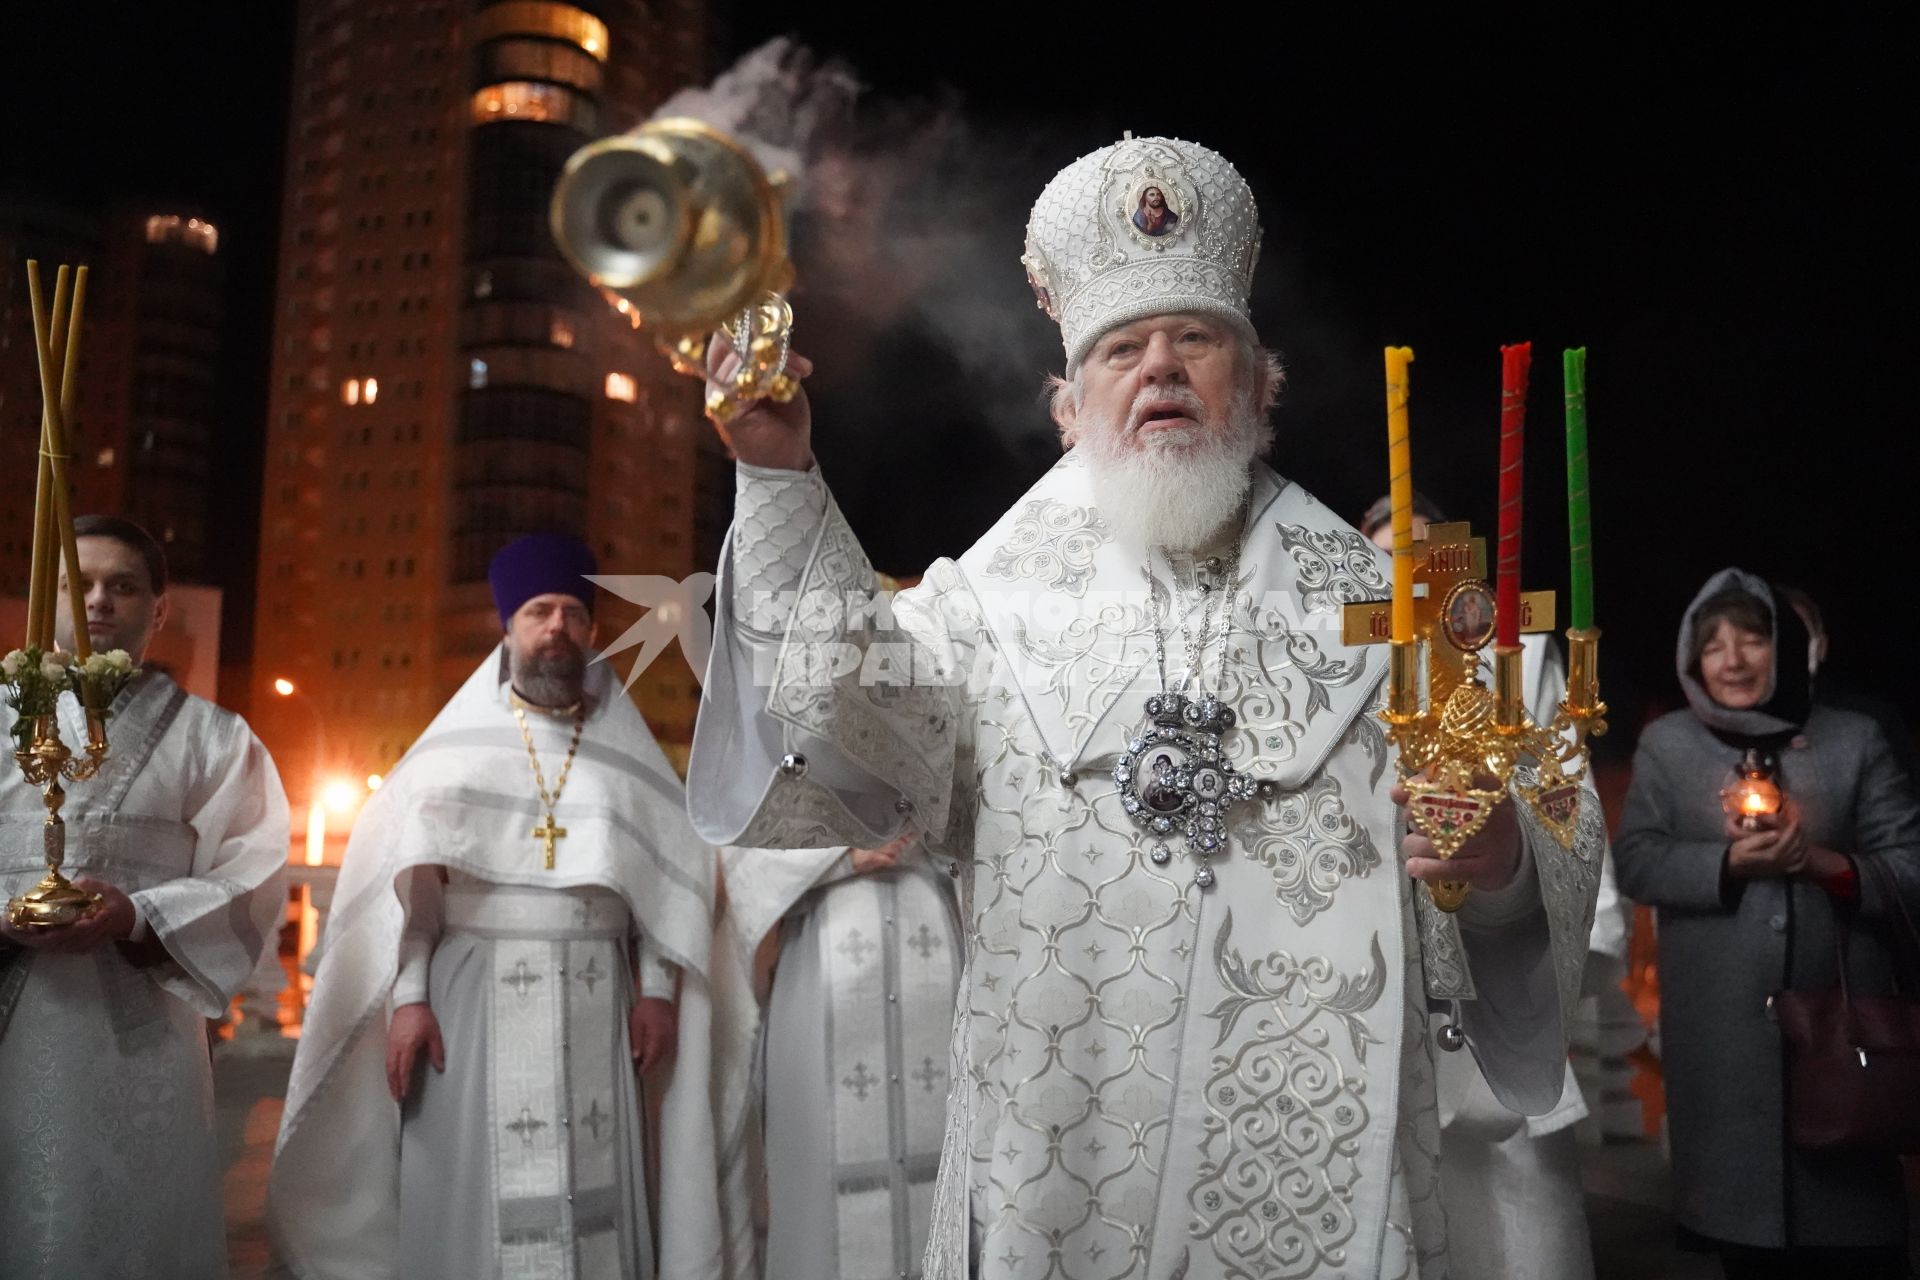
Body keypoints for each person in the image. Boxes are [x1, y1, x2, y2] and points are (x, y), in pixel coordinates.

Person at [688, 134, 1603, 1279]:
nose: (1159, 367)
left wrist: (1505, 853)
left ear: (1260, 385)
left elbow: (1542, 853)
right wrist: (779, 476)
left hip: (1324, 1174)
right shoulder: (986, 606)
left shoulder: (1409, 609)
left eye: (1196, 339)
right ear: (1070, 404)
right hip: (1063, 1162)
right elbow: (841, 741)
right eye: (1122, 347)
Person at [270, 533, 755, 1280]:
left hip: (600, 995)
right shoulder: (453, 751)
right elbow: (414, 894)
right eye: (538, 611)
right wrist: (409, 999)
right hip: (472, 998)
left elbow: (666, 885)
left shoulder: (629, 755)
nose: (557, 625)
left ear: (592, 630)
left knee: (594, 1191)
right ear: (509, 629)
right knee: (477, 1184)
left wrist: (656, 991)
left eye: (571, 612)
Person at [0, 515, 290, 1278]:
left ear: (159, 610)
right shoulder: (1, 719)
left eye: (123, 587)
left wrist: (137, 914)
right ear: (47, 598)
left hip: (136, 1036)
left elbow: (254, 873)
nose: (99, 602)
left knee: (129, 1225)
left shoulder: (213, 739)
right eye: (79, 584)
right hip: (10, 1012)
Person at [1614, 568, 1920, 1279]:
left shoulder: (1854, 737)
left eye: (1752, 638)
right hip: (1723, 1046)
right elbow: (1637, 862)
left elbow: (1910, 866)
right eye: (1712, 644)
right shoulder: (1669, 745)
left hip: (1843, 1038)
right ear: (1693, 660)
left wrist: (1819, 862)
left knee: (1855, 1248)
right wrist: (1726, 865)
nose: (1733, 659)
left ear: (1781, 647)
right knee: (1746, 1251)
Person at [1363, 492, 1635, 1279]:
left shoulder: (1514, 662)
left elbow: (1561, 784)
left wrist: (1538, 872)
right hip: (1382, 982)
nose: (1407, 579)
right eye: (1387, 562)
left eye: (1424, 559)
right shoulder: (1336, 668)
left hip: (1496, 956)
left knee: (1514, 1233)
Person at [722, 833, 963, 1280]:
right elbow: (743, 850)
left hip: (932, 931)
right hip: (825, 944)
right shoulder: (786, 758)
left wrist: (930, 839)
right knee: (818, 1159)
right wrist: (838, 857)